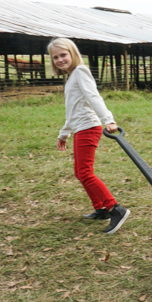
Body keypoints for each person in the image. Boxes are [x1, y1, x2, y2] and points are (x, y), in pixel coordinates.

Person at [50, 37, 130, 234]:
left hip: (88, 127)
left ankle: (115, 209)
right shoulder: (71, 77)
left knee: (85, 172)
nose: (60, 59)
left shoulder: (80, 72)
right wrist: (64, 134)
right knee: (80, 172)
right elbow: (73, 110)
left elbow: (94, 96)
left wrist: (108, 119)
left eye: (63, 55)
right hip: (80, 128)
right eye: (55, 57)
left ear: (73, 54)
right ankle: (101, 209)